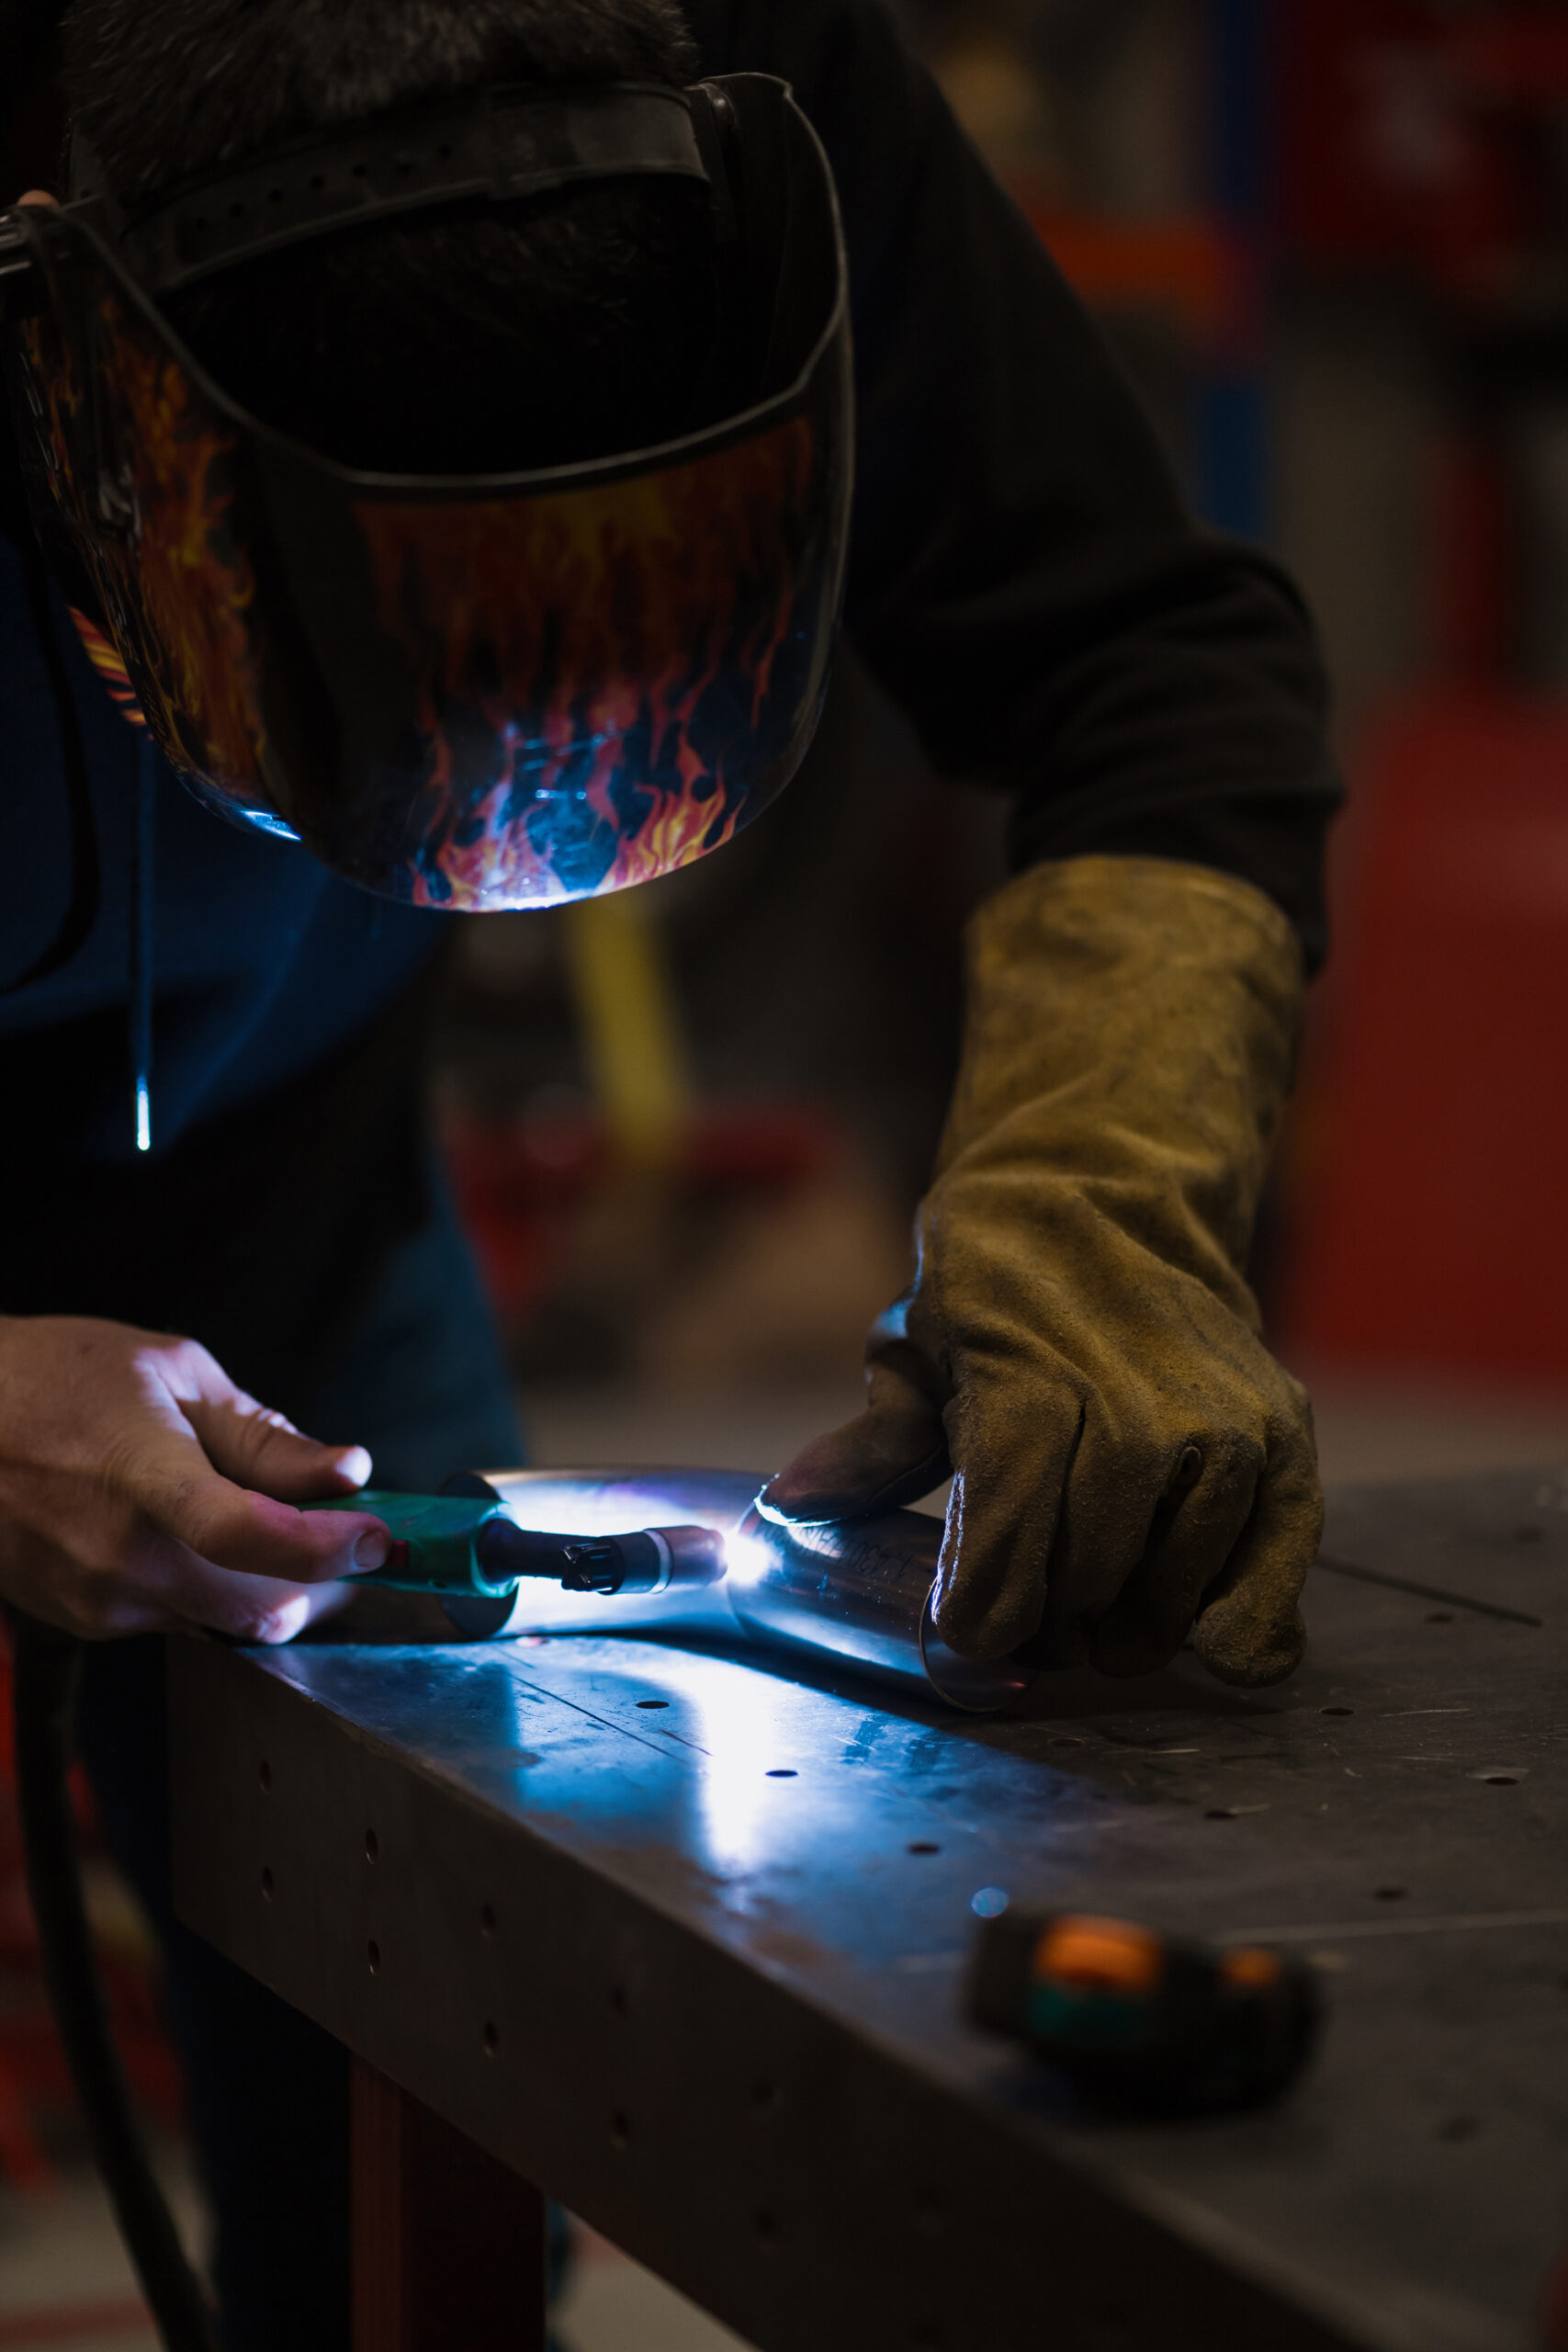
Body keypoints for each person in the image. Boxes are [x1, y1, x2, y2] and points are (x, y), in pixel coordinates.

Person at [0, 0, 1338, 2339]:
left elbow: (1137, 654)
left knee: (409, 2085)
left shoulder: (755, 87)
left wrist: (1092, 1187)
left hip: (276, 1181)